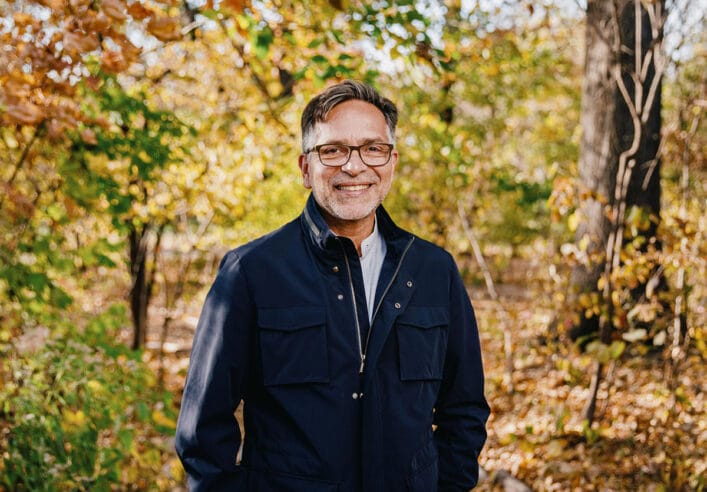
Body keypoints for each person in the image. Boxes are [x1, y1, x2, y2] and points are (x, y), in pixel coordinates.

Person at [175, 80, 490, 492]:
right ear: (306, 168)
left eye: (372, 148)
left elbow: (463, 409)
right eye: (333, 150)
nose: (355, 166)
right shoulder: (251, 272)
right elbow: (203, 431)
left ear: (391, 161)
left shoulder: (434, 270)